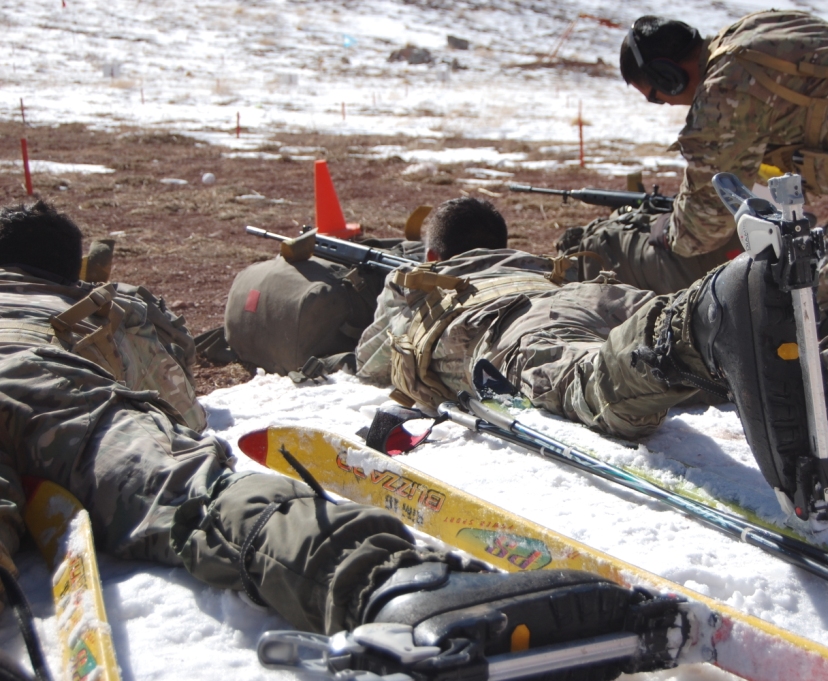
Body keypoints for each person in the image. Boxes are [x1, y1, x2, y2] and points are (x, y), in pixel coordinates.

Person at [0, 201, 691, 681]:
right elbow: (178, 404)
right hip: (43, 383)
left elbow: (372, 356)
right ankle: (399, 586)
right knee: (194, 495)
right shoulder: (82, 306)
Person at [359, 196, 828, 528]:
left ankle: (700, 321)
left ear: (435, 257)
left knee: (587, 384)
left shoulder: (422, 283)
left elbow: (371, 361)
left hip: (513, 324)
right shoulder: (533, 262)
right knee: (816, 359)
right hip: (605, 295)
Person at [559, 11, 828, 344]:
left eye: (657, 97)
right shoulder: (758, 32)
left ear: (668, 76)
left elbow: (703, 226)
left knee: (814, 301)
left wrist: (667, 230)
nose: (668, 106)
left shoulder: (725, 88)